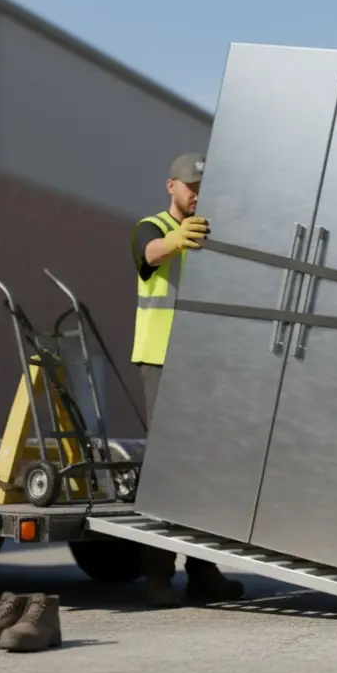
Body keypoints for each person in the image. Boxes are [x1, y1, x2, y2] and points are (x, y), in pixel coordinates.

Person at [127, 151, 246, 607]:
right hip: (161, 361)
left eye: (202, 186)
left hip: (205, 366)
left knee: (207, 467)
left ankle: (203, 571)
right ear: (170, 186)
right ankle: (157, 576)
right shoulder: (151, 227)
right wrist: (177, 239)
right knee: (168, 468)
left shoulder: (209, 232)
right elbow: (150, 253)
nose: (196, 193)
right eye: (189, 185)